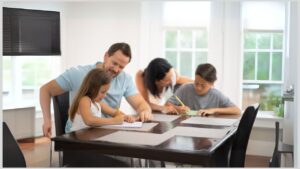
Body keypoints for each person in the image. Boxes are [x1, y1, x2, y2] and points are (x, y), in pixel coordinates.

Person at [40, 42, 152, 138]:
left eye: (121, 67)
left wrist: (137, 113)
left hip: (107, 132)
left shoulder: (124, 80)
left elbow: (137, 105)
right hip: (81, 135)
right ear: (106, 56)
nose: (117, 69)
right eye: (114, 63)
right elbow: (45, 90)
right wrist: (47, 120)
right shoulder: (79, 76)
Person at [66, 68, 135, 132]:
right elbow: (89, 120)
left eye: (106, 92)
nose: (104, 95)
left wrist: (125, 117)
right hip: (78, 139)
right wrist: (114, 121)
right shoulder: (85, 100)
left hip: (90, 137)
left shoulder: (98, 103)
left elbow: (114, 112)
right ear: (93, 88)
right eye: (102, 92)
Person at [166, 63, 241, 116]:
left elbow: (237, 111)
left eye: (203, 85)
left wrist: (213, 110)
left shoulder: (216, 95)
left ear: (212, 84)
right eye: (196, 83)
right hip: (186, 128)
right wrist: (177, 108)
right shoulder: (185, 88)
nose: (198, 88)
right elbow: (167, 105)